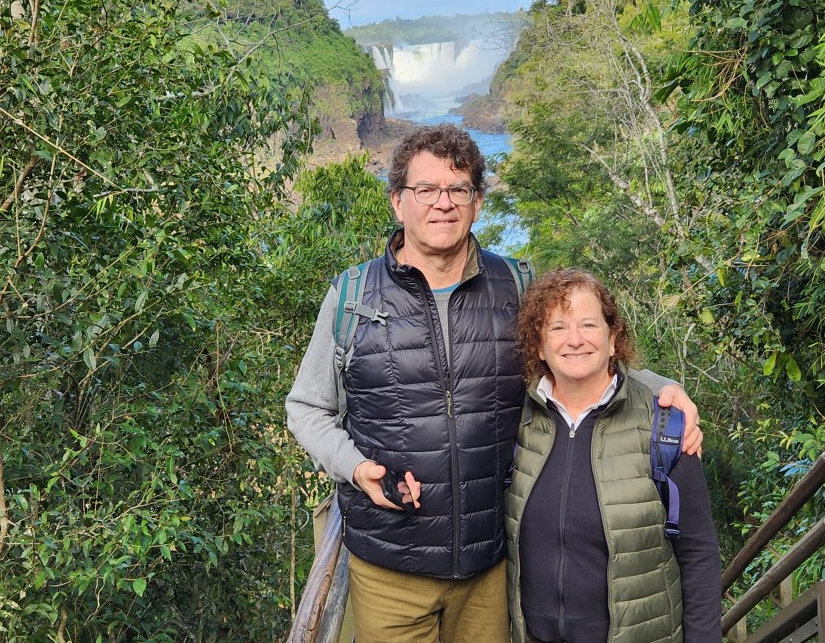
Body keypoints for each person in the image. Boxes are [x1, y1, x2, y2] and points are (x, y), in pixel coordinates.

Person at [286, 123, 704, 643]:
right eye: (425, 189)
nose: (443, 203)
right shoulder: (352, 296)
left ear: (477, 202)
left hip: (490, 565)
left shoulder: (516, 285)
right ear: (397, 201)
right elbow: (307, 407)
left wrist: (659, 385)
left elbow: (576, 350)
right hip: (389, 566)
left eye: (458, 189)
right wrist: (354, 467)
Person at [506, 268, 720, 643]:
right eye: (557, 327)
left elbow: (698, 552)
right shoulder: (515, 421)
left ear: (612, 338)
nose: (575, 339)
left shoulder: (664, 427)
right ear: (539, 346)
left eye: (588, 325)